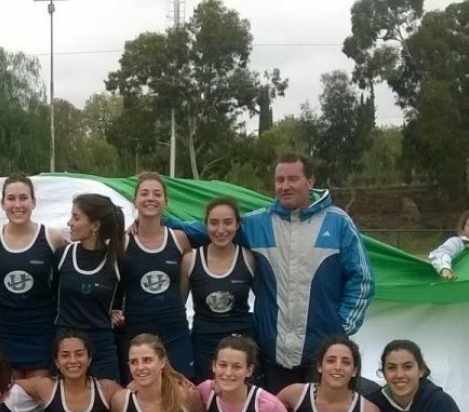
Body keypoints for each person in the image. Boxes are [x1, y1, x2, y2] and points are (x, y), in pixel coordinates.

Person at [169, 155, 374, 392]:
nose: (285, 186)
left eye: (293, 179)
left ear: (310, 181)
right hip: (271, 353)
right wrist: (156, 222)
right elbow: (211, 229)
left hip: (321, 352)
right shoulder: (258, 223)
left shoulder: (338, 223)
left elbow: (362, 280)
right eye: (280, 180)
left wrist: (340, 328)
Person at [0, 174, 67, 377]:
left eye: (23, 198)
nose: (17, 204)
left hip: (42, 331)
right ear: (2, 203)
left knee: (38, 398)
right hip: (5, 329)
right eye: (11, 198)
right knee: (9, 398)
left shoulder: (52, 238)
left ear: (34, 202)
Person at [120, 172, 193, 378]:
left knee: (181, 394)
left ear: (165, 201)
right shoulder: (124, 242)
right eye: (144, 193)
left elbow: (184, 287)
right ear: (135, 201)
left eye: (157, 194)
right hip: (137, 333)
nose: (150, 198)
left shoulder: (180, 240)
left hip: (174, 332)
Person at [182, 198, 256, 383]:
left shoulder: (249, 258)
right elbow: (177, 307)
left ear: (238, 225)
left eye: (228, 222)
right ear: (205, 225)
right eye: (214, 223)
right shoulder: (190, 260)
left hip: (241, 346)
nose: (221, 230)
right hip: (204, 346)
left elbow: (266, 300)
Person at [56, 194, 124, 381]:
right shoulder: (62, 255)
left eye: (76, 218)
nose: (70, 223)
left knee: (111, 405)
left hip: (101, 348)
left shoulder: (118, 261)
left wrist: (117, 311)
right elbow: (50, 297)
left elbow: (124, 300)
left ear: (94, 225)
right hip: (66, 347)